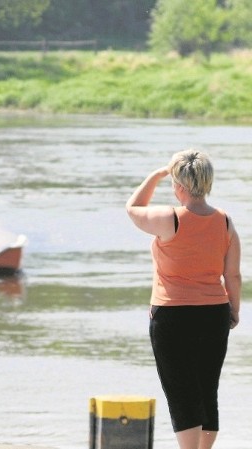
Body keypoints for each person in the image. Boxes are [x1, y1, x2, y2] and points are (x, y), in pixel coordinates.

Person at [125, 149, 241, 449]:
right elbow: (233, 276)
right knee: (206, 389)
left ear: (178, 185)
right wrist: (234, 310)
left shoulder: (168, 218)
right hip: (214, 313)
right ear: (208, 183)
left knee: (181, 392)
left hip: (172, 316)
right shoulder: (225, 222)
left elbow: (133, 207)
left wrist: (156, 174)